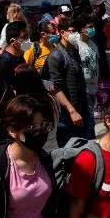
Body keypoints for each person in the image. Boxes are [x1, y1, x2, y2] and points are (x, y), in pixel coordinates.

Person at [48, 18, 88, 146]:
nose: (74, 34)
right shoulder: (56, 56)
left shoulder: (75, 51)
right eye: (71, 31)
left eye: (76, 31)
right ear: (62, 33)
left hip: (81, 108)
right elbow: (56, 88)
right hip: (67, 115)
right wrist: (72, 111)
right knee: (70, 151)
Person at [71, 16, 100, 126]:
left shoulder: (93, 44)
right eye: (89, 27)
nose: (92, 29)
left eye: (93, 27)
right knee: (89, 119)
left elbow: (96, 63)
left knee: (91, 116)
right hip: (84, 89)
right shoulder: (76, 44)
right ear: (81, 30)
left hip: (94, 87)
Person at [0, 21, 30, 94]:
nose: (28, 40)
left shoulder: (20, 55)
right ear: (12, 41)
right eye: (24, 37)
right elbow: (6, 89)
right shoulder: (4, 61)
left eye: (28, 36)